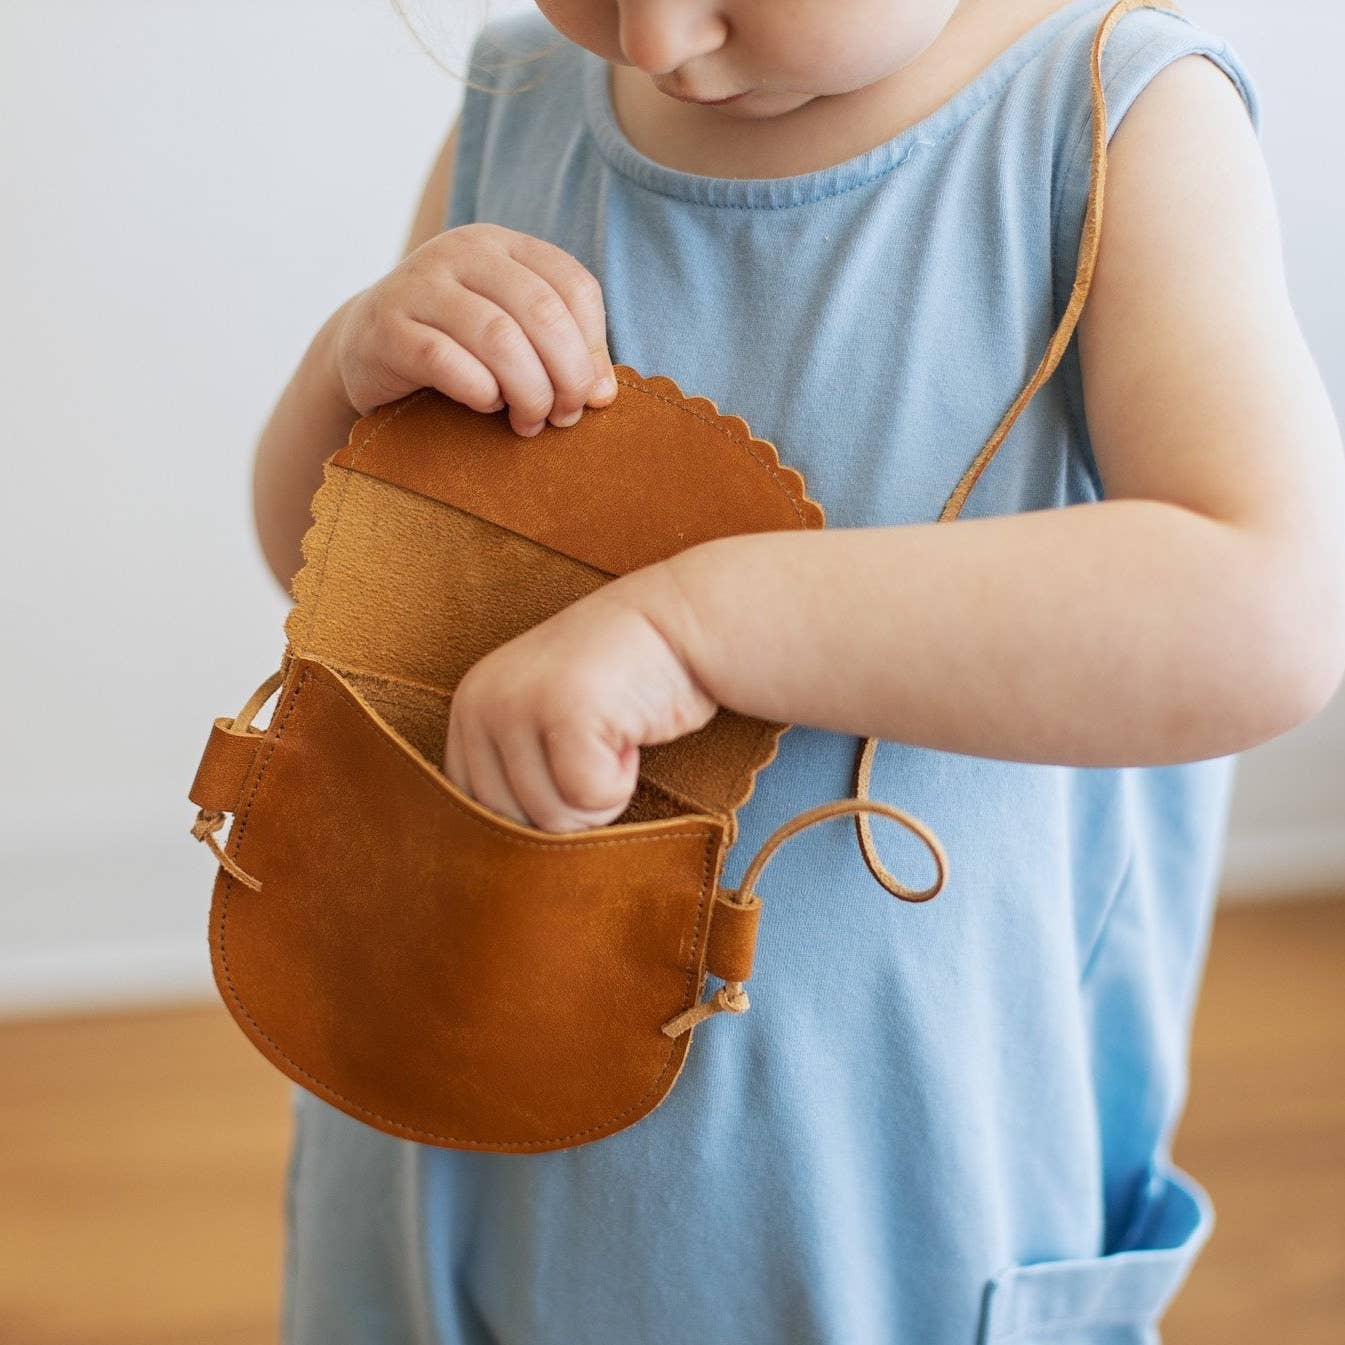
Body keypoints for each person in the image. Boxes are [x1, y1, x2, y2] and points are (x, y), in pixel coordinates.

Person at [251, 1, 1345, 1341]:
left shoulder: (1112, 127)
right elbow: (330, 578)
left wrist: (701, 627)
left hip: (865, 1217)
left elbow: (1262, 611)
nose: (651, 40)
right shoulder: (522, 102)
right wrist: (346, 368)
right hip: (449, 1128)